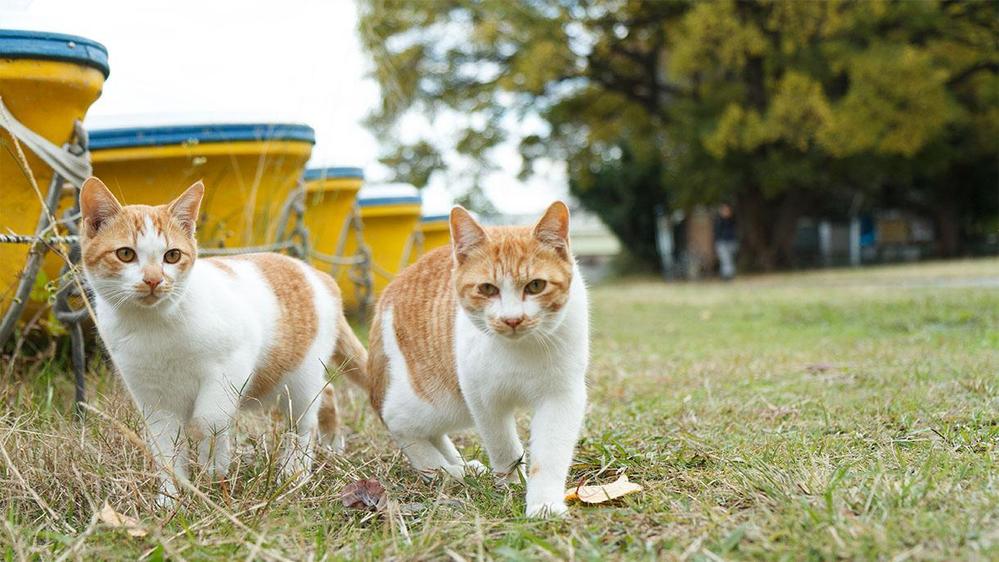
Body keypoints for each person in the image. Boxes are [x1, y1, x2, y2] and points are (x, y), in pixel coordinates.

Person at [714, 203, 738, 280]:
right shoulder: (718, 220)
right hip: (721, 242)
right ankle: (727, 276)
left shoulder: (733, 220)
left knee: (729, 259)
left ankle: (728, 274)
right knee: (725, 259)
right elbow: (717, 232)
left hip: (731, 242)